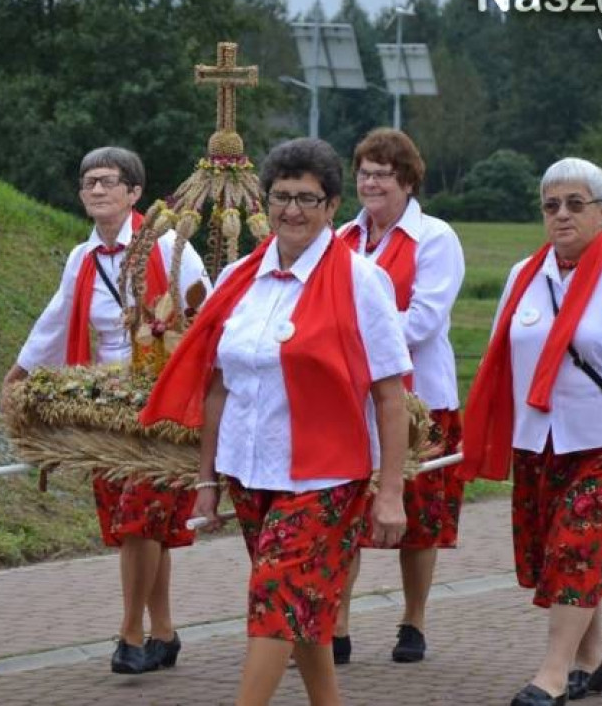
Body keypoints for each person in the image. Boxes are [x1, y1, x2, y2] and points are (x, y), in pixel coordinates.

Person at [141, 137, 412, 706]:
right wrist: (206, 479)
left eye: (307, 198)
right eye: (281, 196)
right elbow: (219, 386)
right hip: (249, 472)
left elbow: (390, 396)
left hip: (324, 478)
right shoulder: (240, 277)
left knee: (274, 595)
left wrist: (391, 493)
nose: (292, 210)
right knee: (294, 604)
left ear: (332, 205)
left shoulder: (361, 281)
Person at [459, 157, 602, 706]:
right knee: (560, 555)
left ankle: (552, 675)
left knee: (576, 551)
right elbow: (500, 360)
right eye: (551, 206)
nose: (561, 215)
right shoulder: (524, 275)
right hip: (538, 442)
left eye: (575, 204)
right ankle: (592, 661)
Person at [1, 146, 210, 675]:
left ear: (135, 192)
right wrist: (18, 375)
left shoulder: (172, 246)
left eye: (108, 181)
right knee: (139, 526)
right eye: (88, 182)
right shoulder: (82, 258)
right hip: (106, 408)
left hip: (162, 406)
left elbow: (203, 313)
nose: (96, 190)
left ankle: (130, 634)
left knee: (140, 518)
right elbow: (56, 319)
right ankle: (164, 632)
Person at [332, 128, 466, 665]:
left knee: (421, 517)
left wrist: (345, 339)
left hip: (423, 400)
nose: (370, 183)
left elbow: (423, 322)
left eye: (383, 174)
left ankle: (413, 620)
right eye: (364, 173)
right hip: (354, 402)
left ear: (407, 181)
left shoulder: (435, 238)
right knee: (345, 512)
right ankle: (337, 625)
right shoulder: (342, 237)